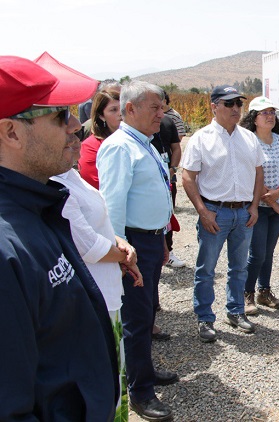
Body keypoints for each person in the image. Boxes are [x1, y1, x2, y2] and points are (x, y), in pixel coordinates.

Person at [0, 54, 119, 421]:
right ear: (12, 132)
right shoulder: (7, 246)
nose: (75, 126)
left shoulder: (39, 206)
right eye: (58, 116)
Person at [97, 80, 178, 421]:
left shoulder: (142, 142)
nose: (162, 113)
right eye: (155, 108)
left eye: (162, 107)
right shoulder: (120, 147)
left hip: (147, 240)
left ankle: (143, 370)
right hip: (132, 243)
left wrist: (159, 237)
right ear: (130, 109)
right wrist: (122, 254)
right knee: (136, 317)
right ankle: (141, 393)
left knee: (145, 314)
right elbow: (113, 206)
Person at [51, 137, 143, 421]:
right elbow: (88, 246)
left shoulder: (72, 174)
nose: (76, 137)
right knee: (102, 375)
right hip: (93, 291)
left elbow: (98, 222)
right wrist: (124, 257)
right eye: (62, 126)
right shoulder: (55, 185)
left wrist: (120, 242)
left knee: (115, 370)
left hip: (107, 284)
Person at [181, 85, 265, 342]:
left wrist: (253, 206)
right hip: (215, 213)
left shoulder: (249, 138)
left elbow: (259, 173)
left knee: (239, 268)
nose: (235, 109)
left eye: (238, 104)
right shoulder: (201, 138)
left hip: (243, 214)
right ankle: (205, 318)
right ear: (214, 106)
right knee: (206, 269)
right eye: (228, 104)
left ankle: (236, 311)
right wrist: (203, 211)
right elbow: (187, 176)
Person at [240, 96, 279, 314]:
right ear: (254, 118)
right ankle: (247, 294)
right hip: (259, 209)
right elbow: (253, 178)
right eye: (265, 112)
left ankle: (264, 291)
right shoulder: (249, 142)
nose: (270, 116)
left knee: (269, 252)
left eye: (272, 111)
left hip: (277, 205)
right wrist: (276, 205)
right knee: (257, 254)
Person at [152, 111, 185, 269]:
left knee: (168, 216)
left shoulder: (167, 121)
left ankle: (168, 252)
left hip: (167, 179)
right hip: (151, 182)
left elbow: (176, 148)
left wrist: (172, 169)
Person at [78, 87, 121, 188]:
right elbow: (96, 183)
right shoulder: (91, 147)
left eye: (122, 108)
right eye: (113, 110)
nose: (120, 113)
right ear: (101, 116)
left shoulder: (137, 138)